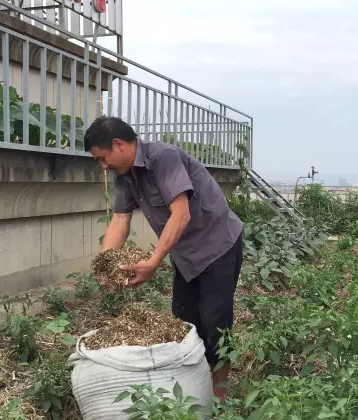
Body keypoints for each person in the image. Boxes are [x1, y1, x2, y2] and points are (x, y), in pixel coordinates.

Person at [83, 116, 244, 401]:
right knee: (184, 320)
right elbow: (120, 221)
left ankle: (220, 394)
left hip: (218, 245)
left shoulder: (163, 158)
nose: (103, 167)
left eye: (102, 158)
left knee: (215, 321)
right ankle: (194, 383)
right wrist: (105, 266)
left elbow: (181, 214)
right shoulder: (125, 176)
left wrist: (153, 262)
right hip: (185, 253)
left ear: (119, 144)